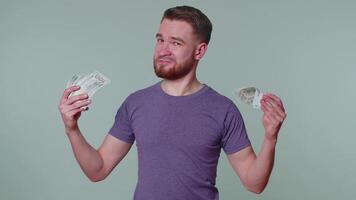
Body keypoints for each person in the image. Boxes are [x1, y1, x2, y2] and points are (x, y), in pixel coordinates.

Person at [59, 5, 286, 200]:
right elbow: (98, 170)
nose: (163, 50)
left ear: (200, 51)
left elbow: (254, 183)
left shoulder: (223, 110)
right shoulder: (136, 103)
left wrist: (270, 138)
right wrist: (72, 129)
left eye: (175, 43)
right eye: (160, 40)